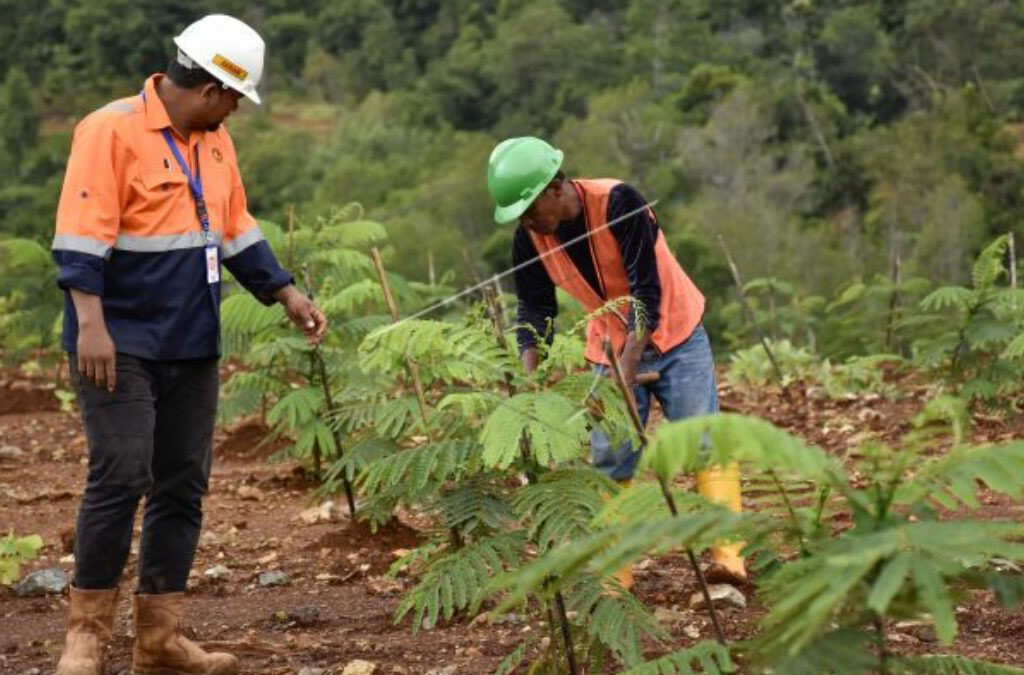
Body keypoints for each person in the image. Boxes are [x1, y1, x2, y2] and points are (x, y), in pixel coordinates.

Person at [51, 14, 326, 675]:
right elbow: (82, 233)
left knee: (182, 484)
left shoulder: (215, 141)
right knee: (121, 474)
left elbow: (234, 228)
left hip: (191, 339)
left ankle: (159, 641)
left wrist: (285, 292)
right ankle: (85, 639)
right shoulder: (109, 130)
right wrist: (90, 322)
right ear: (208, 87)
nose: (234, 110)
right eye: (233, 97)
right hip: (115, 340)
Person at [487, 136, 746, 589]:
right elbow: (534, 311)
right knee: (612, 458)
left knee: (705, 442)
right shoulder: (529, 239)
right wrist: (531, 381)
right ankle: (615, 579)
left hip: (676, 333)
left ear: (555, 186)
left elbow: (647, 293)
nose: (529, 222)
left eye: (531, 210)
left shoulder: (618, 201)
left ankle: (729, 561)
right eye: (520, 217)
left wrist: (626, 375)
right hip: (607, 345)